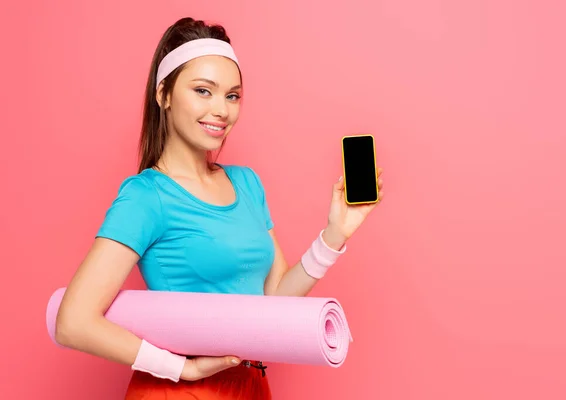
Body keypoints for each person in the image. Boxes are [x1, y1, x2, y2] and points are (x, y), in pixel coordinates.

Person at [54, 17, 384, 399]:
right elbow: (73, 322)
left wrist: (334, 236)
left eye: (232, 95)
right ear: (164, 94)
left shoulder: (246, 184)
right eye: (202, 91)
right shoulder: (147, 196)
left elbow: (273, 303)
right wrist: (181, 369)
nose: (222, 111)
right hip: (179, 392)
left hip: (251, 385)